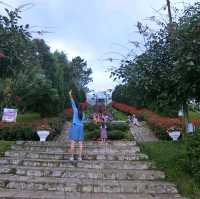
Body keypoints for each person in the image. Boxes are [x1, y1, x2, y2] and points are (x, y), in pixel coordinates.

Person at [68, 90, 84, 161]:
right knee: (80, 143)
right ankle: (80, 157)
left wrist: (70, 94)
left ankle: (72, 157)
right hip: (81, 127)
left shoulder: (75, 110)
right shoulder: (83, 114)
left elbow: (72, 102)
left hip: (75, 127)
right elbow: (83, 121)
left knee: (73, 143)